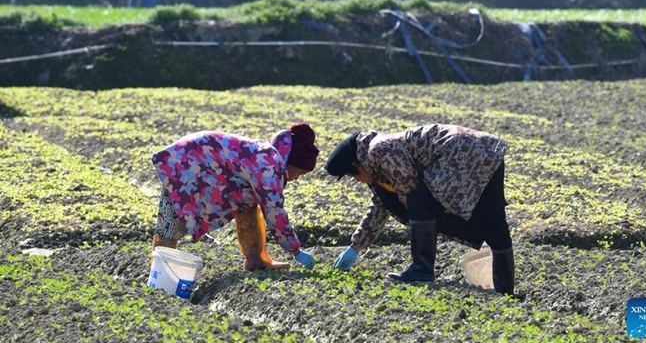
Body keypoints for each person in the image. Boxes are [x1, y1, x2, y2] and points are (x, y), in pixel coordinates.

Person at [324, 123, 514, 295]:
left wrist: (417, 209)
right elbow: (380, 206)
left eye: (352, 175)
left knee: (418, 198)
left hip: (460, 152)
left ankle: (421, 270)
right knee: (492, 218)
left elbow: (410, 187)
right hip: (489, 151)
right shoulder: (377, 162)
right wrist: (355, 247)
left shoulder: (379, 149)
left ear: (357, 164)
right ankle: (505, 289)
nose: (357, 180)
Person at [151, 123, 319, 271]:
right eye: (300, 172)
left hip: (196, 156)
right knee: (172, 222)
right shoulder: (270, 168)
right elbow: (276, 213)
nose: (297, 177)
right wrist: (296, 251)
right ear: (291, 160)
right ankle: (160, 275)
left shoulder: (268, 156)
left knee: (248, 201)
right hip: (187, 161)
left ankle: (255, 259)